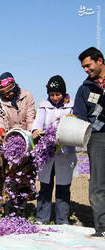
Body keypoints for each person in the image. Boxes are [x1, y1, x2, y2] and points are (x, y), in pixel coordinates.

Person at [32, 75, 76, 225]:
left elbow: (74, 125)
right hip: (47, 153)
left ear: (63, 93)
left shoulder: (72, 106)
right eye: (52, 95)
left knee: (63, 186)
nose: (55, 98)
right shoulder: (44, 106)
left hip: (65, 152)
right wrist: (36, 131)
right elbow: (37, 122)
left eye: (58, 94)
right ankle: (42, 218)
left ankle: (62, 219)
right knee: (45, 185)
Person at [73, 47, 105, 237]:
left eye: (88, 65)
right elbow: (80, 115)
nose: (86, 69)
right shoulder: (85, 88)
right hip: (98, 137)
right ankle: (101, 227)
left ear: (99, 60)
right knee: (98, 183)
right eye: (83, 67)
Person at [0, 72, 35, 217]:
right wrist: (1, 130)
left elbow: (30, 117)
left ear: (14, 87)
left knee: (24, 176)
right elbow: (1, 117)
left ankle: (21, 210)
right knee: (9, 177)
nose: (6, 95)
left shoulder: (27, 96)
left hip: (25, 138)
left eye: (8, 92)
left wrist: (29, 135)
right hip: (9, 140)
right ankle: (8, 209)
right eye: (3, 93)